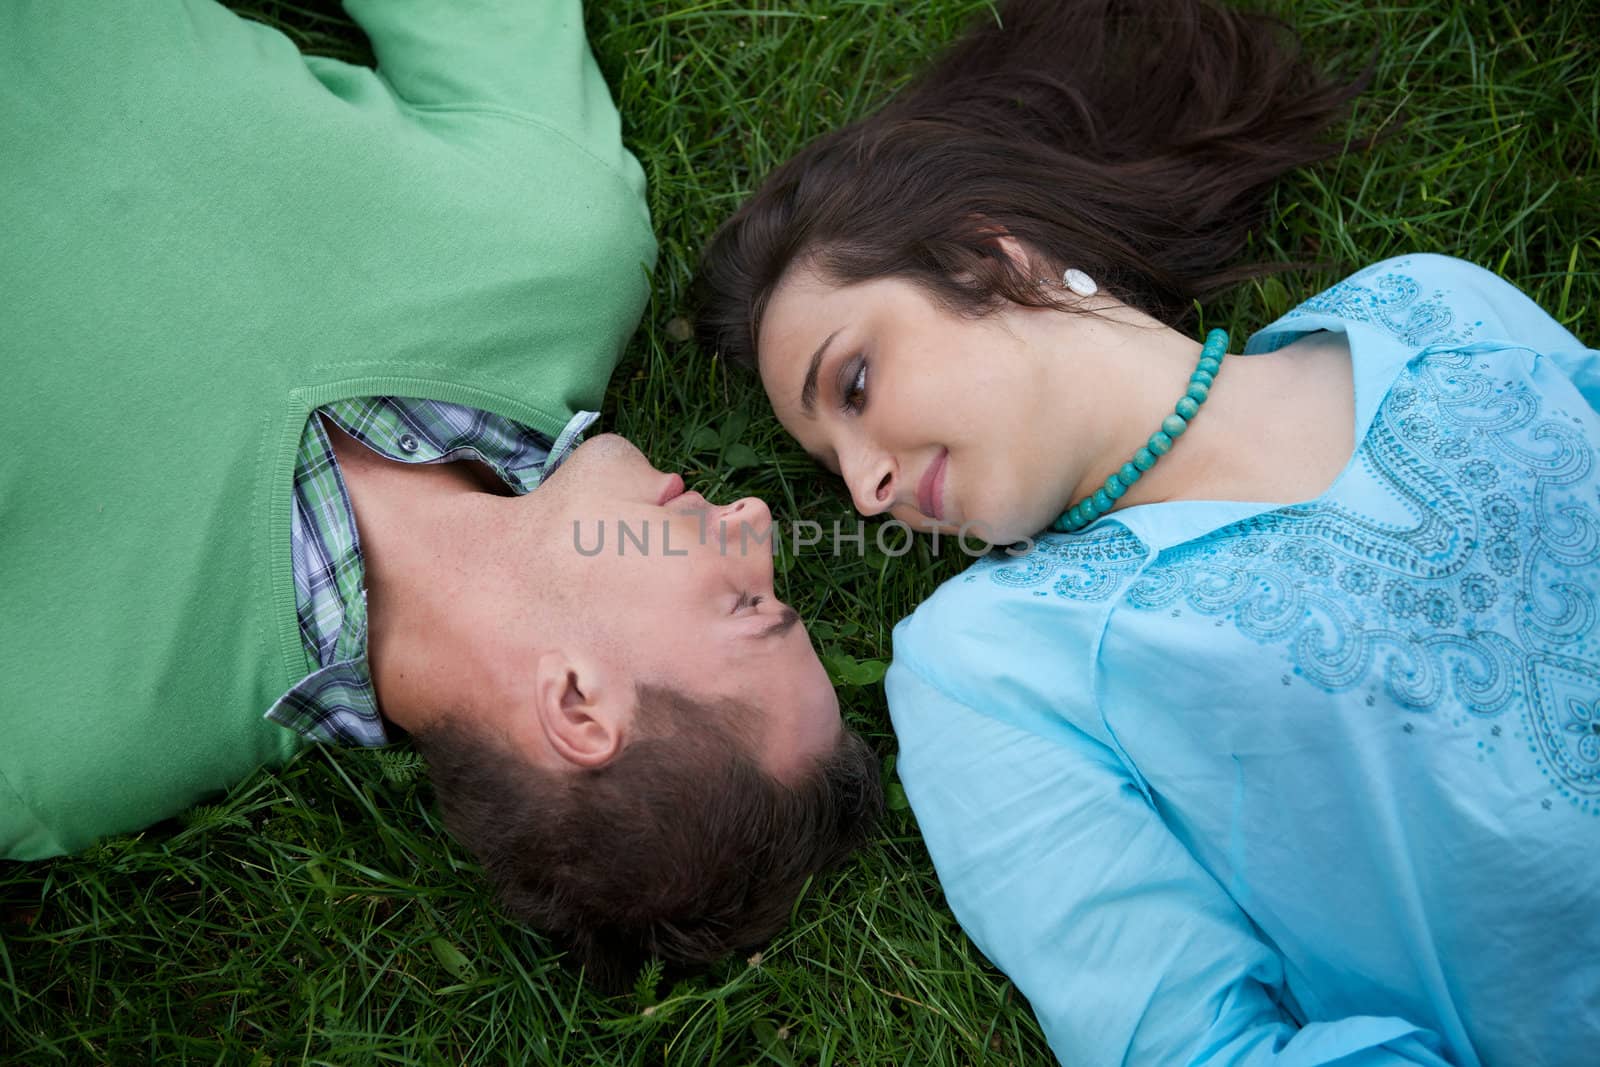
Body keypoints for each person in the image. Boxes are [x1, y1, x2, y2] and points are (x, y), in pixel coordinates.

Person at [696, 0, 1598, 1062]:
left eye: (853, 382)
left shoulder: (1430, 305)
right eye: (830, 464)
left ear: (990, 255)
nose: (864, 485)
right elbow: (1190, 1043)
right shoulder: (988, 665)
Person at [0, 0, 880, 984]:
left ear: (578, 701)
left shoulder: (73, 744)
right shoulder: (560, 245)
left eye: (748, 605)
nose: (756, 520)